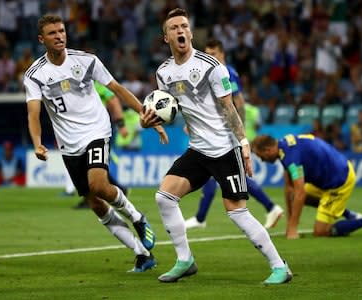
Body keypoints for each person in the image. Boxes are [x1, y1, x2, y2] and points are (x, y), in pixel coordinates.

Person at [146, 8, 292, 284]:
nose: (180, 30)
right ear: (166, 37)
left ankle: (280, 266)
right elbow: (168, 108)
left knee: (236, 211)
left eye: (184, 26)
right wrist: (150, 121)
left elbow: (230, 107)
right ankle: (185, 260)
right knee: (164, 197)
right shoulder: (163, 72)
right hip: (198, 149)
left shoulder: (211, 67)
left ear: (190, 32)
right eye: (174, 27)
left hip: (225, 148)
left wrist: (244, 144)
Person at [23, 14, 167, 272]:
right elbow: (33, 113)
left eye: (62, 31)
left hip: (96, 131)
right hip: (69, 144)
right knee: (95, 203)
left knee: (98, 184)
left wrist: (148, 115)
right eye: (53, 33)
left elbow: (118, 89)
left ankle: (137, 217)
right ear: (41, 39)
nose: (59, 36)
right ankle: (142, 254)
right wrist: (37, 142)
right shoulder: (35, 75)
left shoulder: (86, 61)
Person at [184, 39, 283, 230]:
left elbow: (239, 102)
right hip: (214, 131)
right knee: (216, 173)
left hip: (226, 132)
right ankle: (201, 217)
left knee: (226, 175)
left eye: (213, 54)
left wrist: (239, 132)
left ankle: (271, 207)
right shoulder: (209, 73)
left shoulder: (227, 72)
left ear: (222, 54)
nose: (209, 58)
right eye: (206, 54)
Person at [251, 134, 362, 239]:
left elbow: (300, 192)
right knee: (295, 195)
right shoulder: (284, 147)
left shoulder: (290, 158)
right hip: (327, 177)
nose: (261, 160)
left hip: (338, 181)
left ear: (268, 149)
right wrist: (290, 223)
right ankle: (351, 215)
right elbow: (290, 190)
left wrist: (293, 230)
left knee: (320, 232)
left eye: (260, 155)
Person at [67, 81, 131, 209]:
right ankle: (117, 190)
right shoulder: (74, 85)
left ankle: (92, 198)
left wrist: (121, 124)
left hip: (98, 129)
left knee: (93, 163)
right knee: (89, 163)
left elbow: (113, 101)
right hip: (81, 129)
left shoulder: (94, 84)